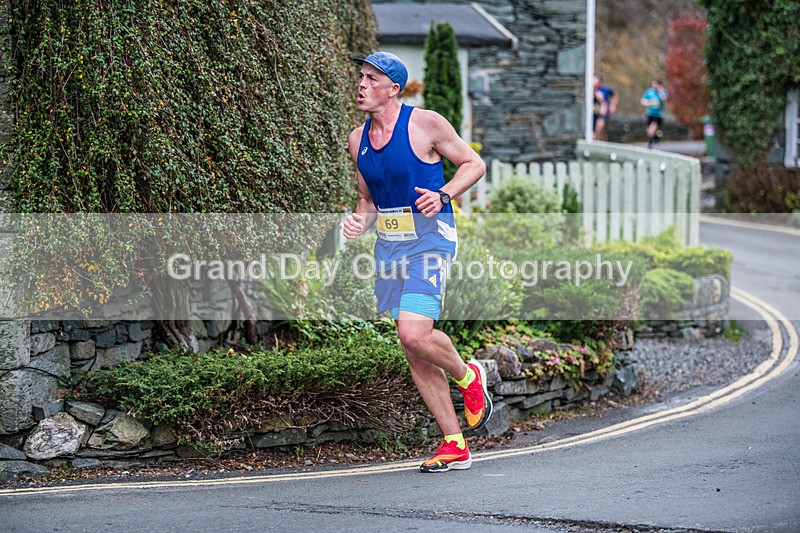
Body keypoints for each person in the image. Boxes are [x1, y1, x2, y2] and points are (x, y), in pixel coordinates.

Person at [343, 51, 492, 473]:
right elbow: (368, 200)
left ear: (393, 88)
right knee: (414, 350)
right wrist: (359, 220)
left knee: (413, 331)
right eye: (361, 77)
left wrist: (444, 193)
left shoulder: (426, 123)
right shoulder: (357, 140)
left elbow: (473, 163)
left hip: (431, 239)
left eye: (372, 79)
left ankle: (467, 377)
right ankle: (454, 443)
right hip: (390, 246)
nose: (362, 85)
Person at [641, 79, 669, 148]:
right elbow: (643, 100)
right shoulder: (649, 91)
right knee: (648, 131)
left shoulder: (662, 91)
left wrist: (660, 92)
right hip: (650, 113)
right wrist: (648, 103)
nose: (654, 86)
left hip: (658, 114)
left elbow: (665, 100)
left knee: (652, 129)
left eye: (655, 84)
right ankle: (656, 136)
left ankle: (650, 144)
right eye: (653, 84)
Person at [592, 75, 618, 141]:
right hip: (594, 112)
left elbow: (614, 96)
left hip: (603, 112)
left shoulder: (605, 89)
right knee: (599, 132)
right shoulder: (589, 90)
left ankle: (599, 142)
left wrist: (613, 106)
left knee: (600, 128)